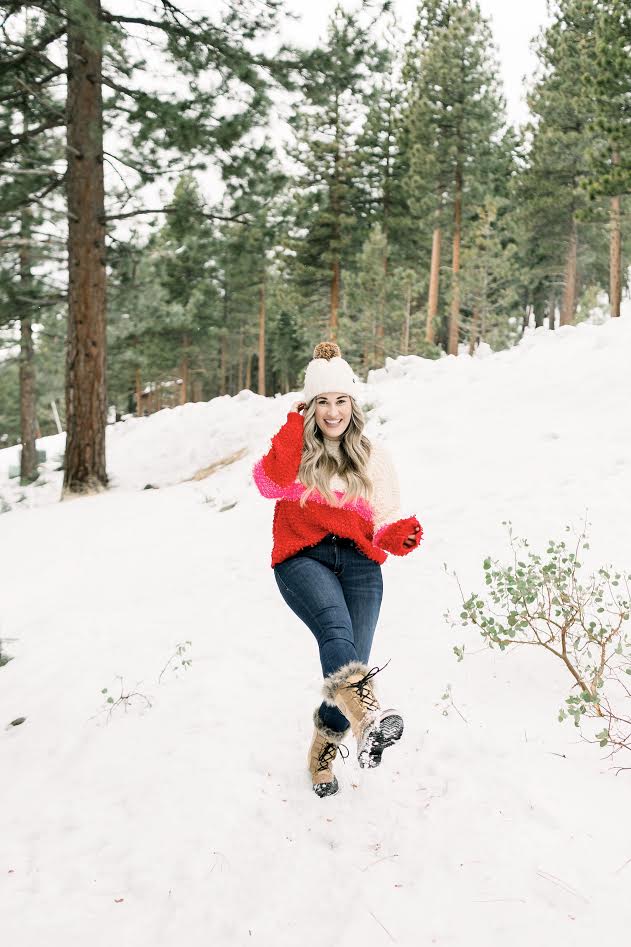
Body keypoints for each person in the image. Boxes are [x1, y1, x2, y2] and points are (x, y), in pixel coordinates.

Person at [252, 341, 422, 798]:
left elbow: (385, 516)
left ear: (353, 403)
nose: (332, 413)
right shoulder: (293, 450)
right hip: (301, 557)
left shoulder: (373, 456)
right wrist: (294, 421)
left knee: (351, 663)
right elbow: (268, 484)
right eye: (322, 402)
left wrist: (395, 534)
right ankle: (369, 722)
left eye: (340, 401)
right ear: (310, 406)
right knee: (335, 630)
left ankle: (323, 749)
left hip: (360, 564)